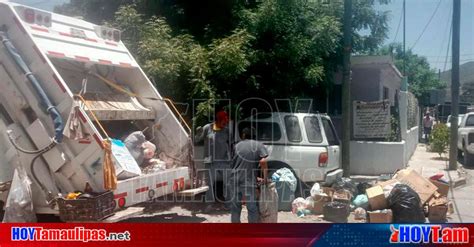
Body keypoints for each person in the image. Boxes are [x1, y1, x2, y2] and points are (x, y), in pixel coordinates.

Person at [228, 127, 268, 223]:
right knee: (251, 208)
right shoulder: (258, 145)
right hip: (248, 180)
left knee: (235, 207)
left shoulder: (236, 146)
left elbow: (232, 164)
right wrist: (265, 178)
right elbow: (263, 161)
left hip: (234, 179)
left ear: (243, 135)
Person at [195, 110, 232, 209]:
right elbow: (198, 139)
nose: (225, 124)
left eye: (226, 122)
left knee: (228, 183)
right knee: (209, 184)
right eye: (223, 122)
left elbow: (231, 144)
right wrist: (198, 133)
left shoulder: (226, 130)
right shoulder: (207, 128)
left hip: (224, 161)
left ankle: (228, 204)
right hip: (210, 161)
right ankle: (209, 204)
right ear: (217, 120)